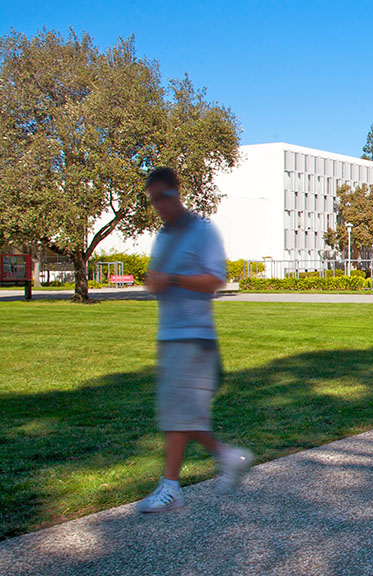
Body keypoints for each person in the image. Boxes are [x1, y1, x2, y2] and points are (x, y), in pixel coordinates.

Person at [136, 167, 252, 514]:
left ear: (176, 193)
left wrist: (172, 279)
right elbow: (160, 278)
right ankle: (228, 457)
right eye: (153, 199)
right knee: (183, 414)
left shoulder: (203, 231)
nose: (159, 205)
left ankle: (171, 487)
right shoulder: (162, 237)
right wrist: (156, 282)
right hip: (169, 334)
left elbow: (216, 279)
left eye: (163, 197)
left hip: (195, 336)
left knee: (176, 414)